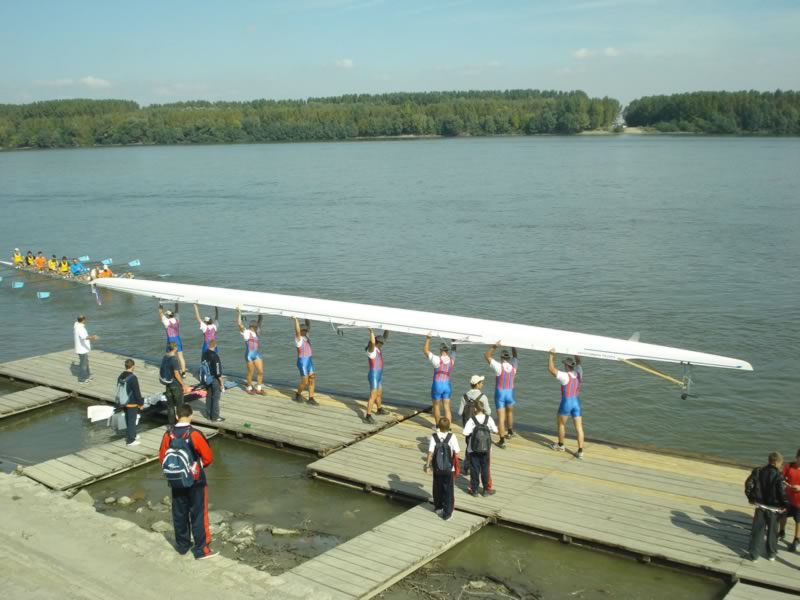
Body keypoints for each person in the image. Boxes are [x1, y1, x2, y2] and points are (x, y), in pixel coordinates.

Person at [158, 404, 218, 560]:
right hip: (196, 480)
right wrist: (198, 465)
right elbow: (208, 457)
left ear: (177, 417)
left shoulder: (168, 434)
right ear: (191, 416)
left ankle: (183, 545)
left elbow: (162, 458)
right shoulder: (195, 434)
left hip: (176, 480)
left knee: (179, 513)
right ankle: (202, 550)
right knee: (198, 514)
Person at [747, 451, 789, 561]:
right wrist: (785, 505)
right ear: (776, 463)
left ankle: (754, 555)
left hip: (760, 505)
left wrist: (751, 498)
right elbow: (781, 493)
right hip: (774, 508)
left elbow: (748, 484)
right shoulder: (779, 476)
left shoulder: (758, 471)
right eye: (781, 463)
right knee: (772, 532)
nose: (781, 466)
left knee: (757, 531)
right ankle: (771, 554)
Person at [548, 349, 585, 459]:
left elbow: (551, 369)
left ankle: (561, 445)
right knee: (579, 427)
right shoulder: (579, 372)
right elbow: (579, 362)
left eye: (564, 364)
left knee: (561, 424)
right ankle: (580, 451)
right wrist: (576, 352)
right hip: (576, 403)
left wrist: (551, 355)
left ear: (566, 366)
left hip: (566, 403)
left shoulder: (565, 376)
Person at [425, 417, 460, 521]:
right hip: (449, 469)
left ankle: (438, 507)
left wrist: (427, 466)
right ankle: (447, 513)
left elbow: (430, 452)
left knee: (437, 488)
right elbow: (457, 452)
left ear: (438, 426)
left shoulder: (434, 437)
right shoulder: (452, 437)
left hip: (437, 468)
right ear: (449, 427)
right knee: (448, 491)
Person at [484, 342, 518, 449]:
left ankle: (502, 441)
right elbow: (516, 356)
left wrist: (495, 346)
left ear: (501, 357)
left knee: (501, 418)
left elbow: (487, 355)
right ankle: (510, 432)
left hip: (500, 394)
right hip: (510, 393)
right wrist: (513, 346)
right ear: (509, 358)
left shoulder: (499, 366)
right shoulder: (514, 367)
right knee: (510, 413)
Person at [462, 398, 498, 497]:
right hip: (486, 449)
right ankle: (486, 490)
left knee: (474, 469)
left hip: (473, 449)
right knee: (485, 469)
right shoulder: (488, 419)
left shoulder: (472, 420)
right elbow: (495, 431)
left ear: (475, 409)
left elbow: (465, 433)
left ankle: (474, 490)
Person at [458, 375, 492, 475]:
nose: (482, 384)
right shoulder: (483, 397)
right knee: (480, 445)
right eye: (481, 382)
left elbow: (460, 412)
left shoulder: (464, 396)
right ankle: (479, 466)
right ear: (477, 385)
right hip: (480, 428)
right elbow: (488, 412)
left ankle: (467, 466)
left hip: (468, 427)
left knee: (469, 446)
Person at [423, 334, 456, 426]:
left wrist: (428, 338)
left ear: (440, 350)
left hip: (437, 385)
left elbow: (425, 350)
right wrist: (454, 341)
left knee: (436, 406)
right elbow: (454, 350)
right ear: (447, 351)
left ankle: (438, 426)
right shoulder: (452, 360)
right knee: (447, 407)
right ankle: (447, 427)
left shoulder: (437, 359)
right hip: (447, 386)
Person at [160, 342, 190, 426]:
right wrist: (183, 385)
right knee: (179, 406)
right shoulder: (174, 360)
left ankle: (171, 425)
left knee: (170, 406)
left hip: (168, 384)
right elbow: (176, 374)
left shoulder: (165, 357)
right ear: (175, 348)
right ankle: (180, 424)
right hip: (175, 386)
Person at [237, 307, 265, 395]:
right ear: (252, 326)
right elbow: (239, 323)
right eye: (255, 326)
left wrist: (260, 312)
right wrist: (239, 312)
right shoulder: (246, 332)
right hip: (249, 354)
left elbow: (260, 319)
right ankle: (249, 388)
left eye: (257, 326)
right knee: (250, 372)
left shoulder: (256, 332)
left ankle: (258, 389)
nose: (257, 327)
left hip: (256, 354)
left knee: (260, 371)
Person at [365, 328, 390, 424]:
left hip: (379, 376)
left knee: (379, 393)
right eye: (381, 343)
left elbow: (385, 337)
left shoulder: (378, 349)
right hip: (373, 376)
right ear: (378, 343)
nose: (383, 344)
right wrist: (371, 331)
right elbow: (372, 342)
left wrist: (387, 328)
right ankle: (368, 416)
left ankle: (379, 409)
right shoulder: (371, 351)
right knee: (373, 395)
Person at [117, 359, 144, 446]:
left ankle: (132, 434)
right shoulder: (133, 378)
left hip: (123, 402)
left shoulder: (120, 376)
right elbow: (137, 392)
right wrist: (140, 404)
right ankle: (130, 440)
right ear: (133, 366)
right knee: (132, 421)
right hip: (132, 402)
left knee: (128, 419)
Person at [294, 317, 318, 406]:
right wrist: (296, 320)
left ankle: (311, 398)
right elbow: (296, 330)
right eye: (303, 330)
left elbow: (308, 325)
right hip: (302, 362)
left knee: (312, 378)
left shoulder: (306, 337)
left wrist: (306, 316)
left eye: (305, 330)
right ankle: (298, 394)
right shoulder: (298, 339)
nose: (304, 331)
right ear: (300, 331)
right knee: (305, 380)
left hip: (309, 361)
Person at [780, 449, 800, 552]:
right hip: (787, 498)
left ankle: (796, 539)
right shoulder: (789, 466)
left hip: (799, 502)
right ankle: (781, 531)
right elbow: (781, 478)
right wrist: (785, 484)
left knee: (798, 520)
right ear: (797, 457)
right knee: (783, 515)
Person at [159, 304, 186, 375]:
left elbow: (161, 314)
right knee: (181, 356)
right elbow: (177, 311)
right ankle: (183, 372)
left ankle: (171, 370)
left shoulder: (167, 321)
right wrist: (176, 304)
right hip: (178, 339)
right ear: (173, 314)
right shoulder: (177, 319)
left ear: (168, 315)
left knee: (170, 355)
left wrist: (160, 307)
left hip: (171, 340)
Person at [202, 339, 224, 421]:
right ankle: (215, 417)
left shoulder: (204, 354)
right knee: (215, 398)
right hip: (214, 379)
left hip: (207, 379)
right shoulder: (215, 356)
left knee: (209, 396)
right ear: (215, 346)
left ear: (208, 345)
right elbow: (218, 373)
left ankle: (208, 415)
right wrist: (221, 383)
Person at [73, 315, 98, 384]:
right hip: (82, 349)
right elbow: (84, 337)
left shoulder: (76, 324)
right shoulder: (80, 328)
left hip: (81, 348)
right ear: (83, 320)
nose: (86, 320)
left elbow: (77, 321)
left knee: (86, 362)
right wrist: (93, 337)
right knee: (83, 364)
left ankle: (87, 375)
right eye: (85, 319)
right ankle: (82, 379)